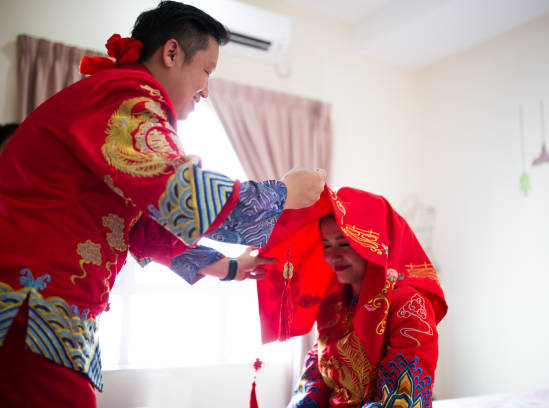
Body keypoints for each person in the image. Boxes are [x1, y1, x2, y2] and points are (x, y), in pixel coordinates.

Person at [0, 1, 326, 406]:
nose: (207, 89)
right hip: (30, 304)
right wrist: (283, 193)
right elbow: (184, 195)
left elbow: (142, 228)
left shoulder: (113, 102)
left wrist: (228, 267)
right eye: (206, 71)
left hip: (39, 307)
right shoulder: (125, 98)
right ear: (171, 53)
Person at [256, 187, 447, 408]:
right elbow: (315, 380)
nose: (332, 255)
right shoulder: (333, 304)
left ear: (374, 245)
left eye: (344, 243)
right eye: (326, 245)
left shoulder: (409, 305)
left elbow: (401, 398)